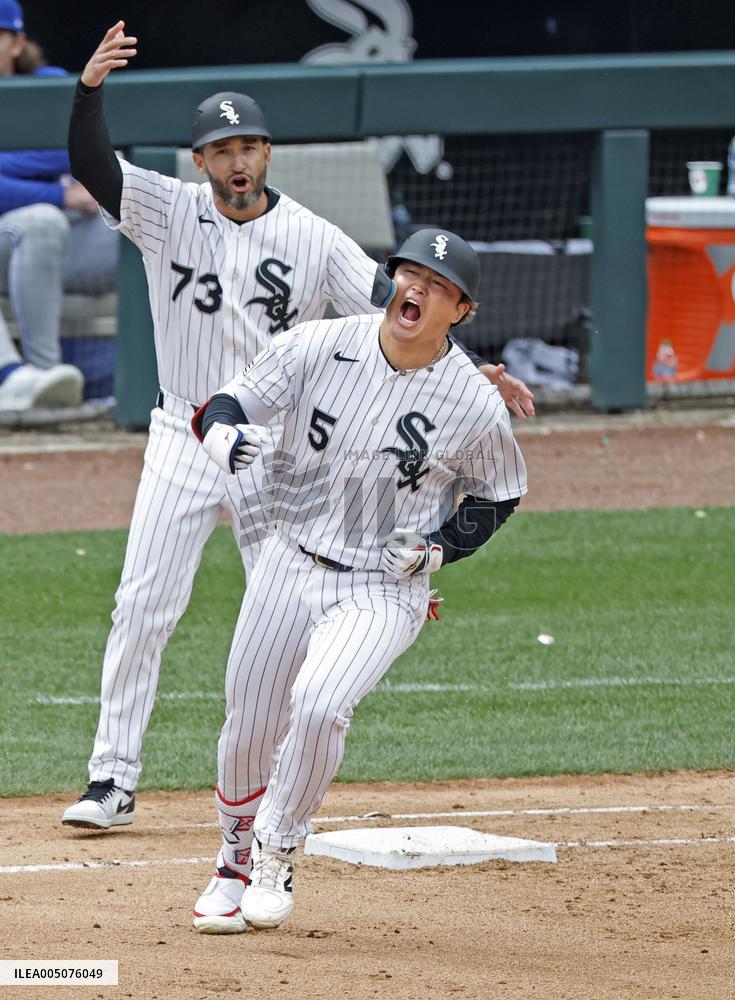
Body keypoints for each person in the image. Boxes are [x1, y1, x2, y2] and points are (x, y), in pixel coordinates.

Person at [60, 22, 533, 832]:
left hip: (275, 452)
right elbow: (94, 168)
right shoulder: (166, 211)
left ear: (267, 154)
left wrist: (470, 366)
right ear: (199, 160)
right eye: (222, 148)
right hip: (182, 432)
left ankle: (275, 777)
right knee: (142, 603)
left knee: (288, 605)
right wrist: (88, 92)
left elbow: (405, 299)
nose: (238, 159)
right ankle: (112, 778)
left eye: (250, 145)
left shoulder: (313, 238)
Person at [189, 227, 527, 933]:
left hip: (381, 587)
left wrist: (436, 551)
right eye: (409, 275)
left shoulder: (472, 402)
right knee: (247, 725)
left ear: (461, 311)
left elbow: (497, 495)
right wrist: (226, 439)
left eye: (437, 287)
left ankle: (277, 850)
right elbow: (222, 406)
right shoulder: (318, 343)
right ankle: (232, 858)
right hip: (287, 561)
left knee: (318, 705)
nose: (416, 291)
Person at [0, 0, 119, 412]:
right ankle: (38, 383)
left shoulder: (46, 84)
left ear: (16, 42)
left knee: (143, 228)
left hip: (64, 246)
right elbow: (57, 167)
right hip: (13, 239)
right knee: (42, 219)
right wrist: (55, 192)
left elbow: (77, 151)